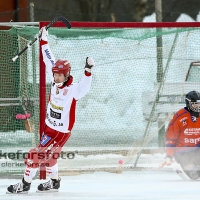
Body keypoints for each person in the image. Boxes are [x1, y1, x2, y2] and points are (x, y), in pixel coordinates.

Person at [7, 27, 95, 193]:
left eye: (59, 75)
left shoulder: (74, 89)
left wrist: (88, 71)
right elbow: (49, 59)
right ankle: (54, 182)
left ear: (67, 74)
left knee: (36, 155)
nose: (56, 77)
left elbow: (85, 88)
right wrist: (44, 39)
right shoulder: (55, 82)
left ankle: (25, 184)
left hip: (59, 132)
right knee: (50, 157)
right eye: (55, 74)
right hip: (49, 127)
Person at [160, 90, 200, 180]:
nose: (198, 106)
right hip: (182, 151)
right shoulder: (179, 117)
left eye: (199, 104)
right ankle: (184, 167)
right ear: (188, 103)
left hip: (197, 150)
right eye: (195, 104)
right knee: (195, 175)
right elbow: (171, 138)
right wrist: (169, 155)